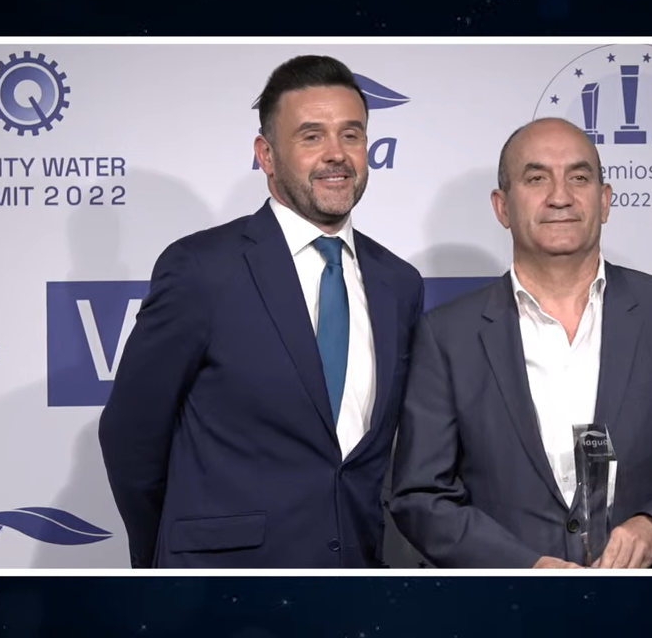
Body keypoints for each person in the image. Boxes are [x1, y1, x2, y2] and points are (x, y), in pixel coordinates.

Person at [99, 55, 424, 568]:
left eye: (351, 135)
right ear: (266, 155)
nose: (336, 154)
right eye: (311, 136)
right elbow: (130, 435)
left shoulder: (399, 283)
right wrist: (163, 559)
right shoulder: (200, 270)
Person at [388, 117, 652, 569]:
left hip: (639, 600)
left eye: (579, 178)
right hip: (505, 602)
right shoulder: (448, 335)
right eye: (536, 179)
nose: (560, 196)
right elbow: (421, 495)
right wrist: (523, 567)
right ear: (502, 207)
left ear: (604, 201)